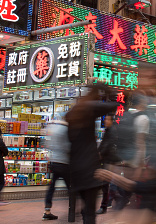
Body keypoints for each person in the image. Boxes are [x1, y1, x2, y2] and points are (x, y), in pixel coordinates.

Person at [66, 84, 118, 224]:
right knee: (89, 213)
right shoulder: (90, 108)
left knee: (85, 210)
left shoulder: (74, 112)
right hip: (90, 168)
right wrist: (107, 89)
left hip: (76, 169)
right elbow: (113, 104)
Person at [43, 114, 71, 220]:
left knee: (51, 187)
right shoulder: (66, 129)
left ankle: (47, 210)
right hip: (64, 162)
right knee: (70, 187)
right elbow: (68, 147)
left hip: (53, 161)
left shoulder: (53, 127)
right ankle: (74, 208)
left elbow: (46, 143)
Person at [97, 114, 118, 214]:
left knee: (106, 184)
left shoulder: (112, 131)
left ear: (111, 121)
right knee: (110, 183)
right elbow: (103, 144)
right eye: (105, 120)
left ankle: (104, 206)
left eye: (107, 120)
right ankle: (119, 198)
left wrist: (101, 153)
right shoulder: (108, 130)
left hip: (109, 161)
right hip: (107, 160)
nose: (105, 121)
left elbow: (108, 144)